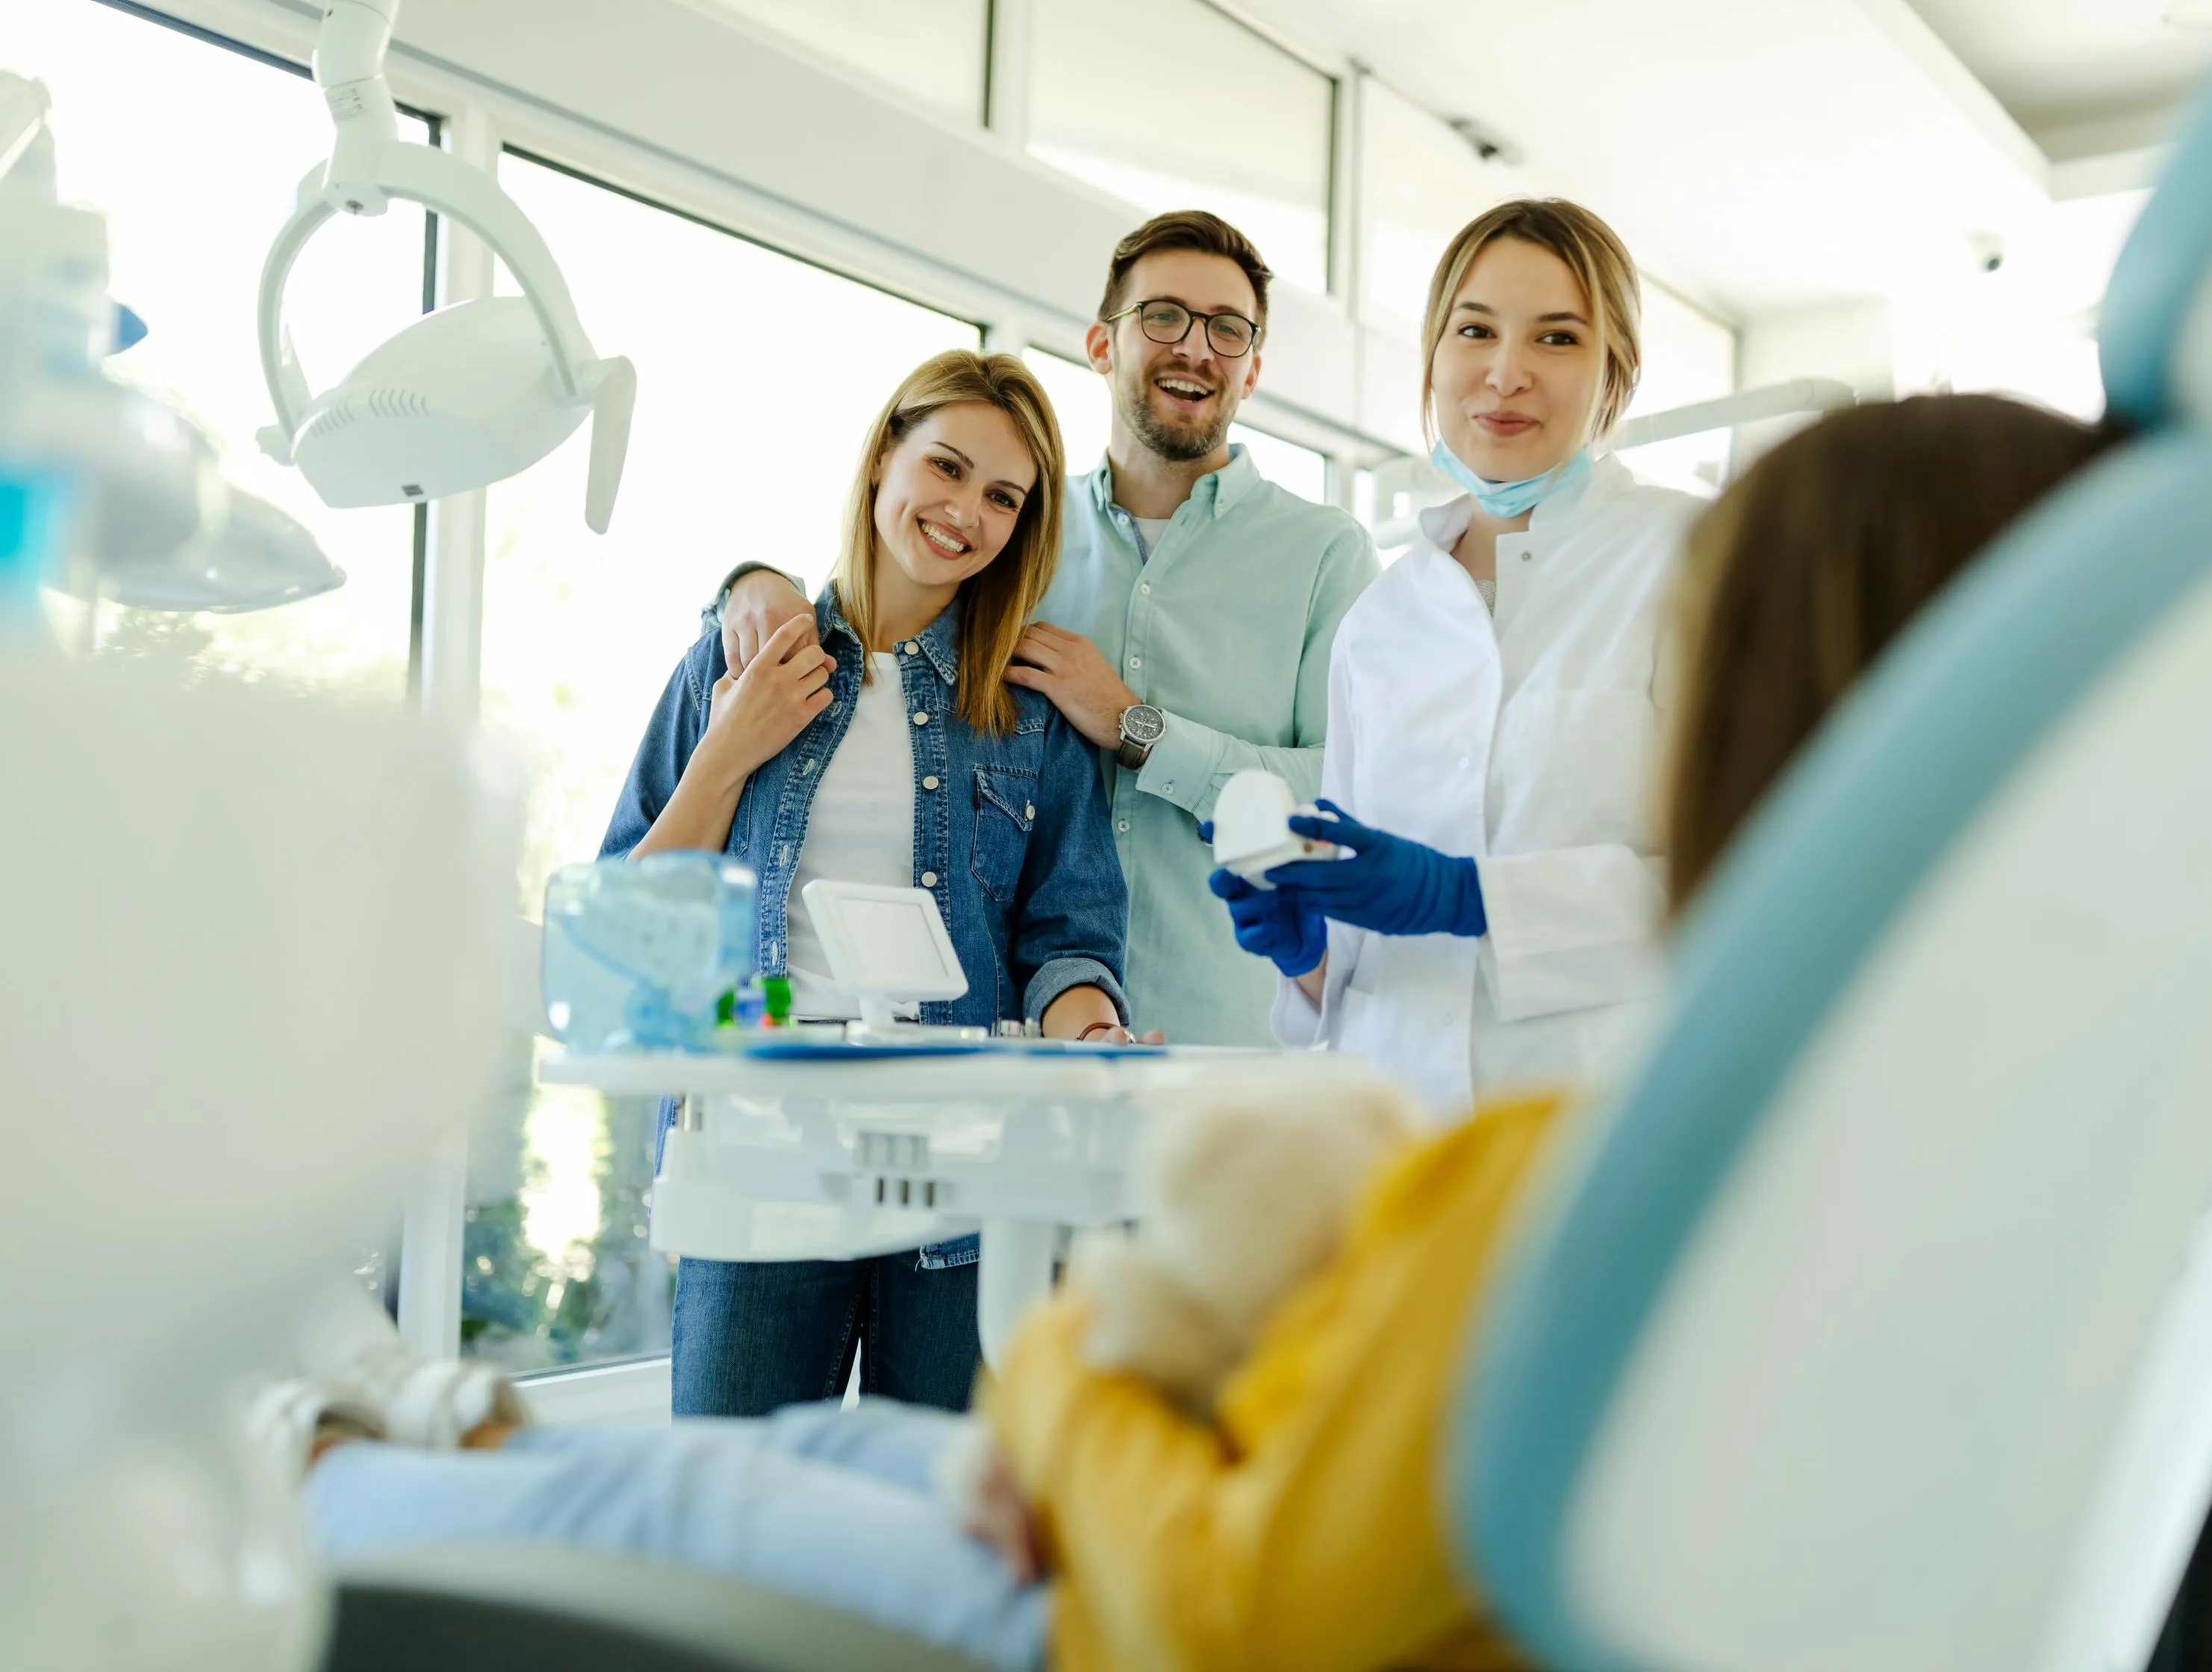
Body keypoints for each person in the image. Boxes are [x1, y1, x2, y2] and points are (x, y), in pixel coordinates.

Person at [281, 393, 2119, 1672]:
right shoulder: (1937, 1123)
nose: (975, 517)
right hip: (1124, 1445)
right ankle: (399, 1426)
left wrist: (1077, 1390)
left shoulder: (1629, 1168)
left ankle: (338, 1465)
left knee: (643, 1496)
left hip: (1109, 1606)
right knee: (786, 1453)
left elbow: (1247, 1605)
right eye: (951, 476)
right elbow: (625, 898)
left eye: (1689, 659)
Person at [604, 348, 1136, 1419]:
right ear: (885, 452)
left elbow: (1068, 938)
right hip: (758, 1160)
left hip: (966, 1177)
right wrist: (727, 750)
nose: (964, 513)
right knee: (733, 1512)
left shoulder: (1025, 708)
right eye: (946, 467)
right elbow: (629, 921)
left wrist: (1092, 1033)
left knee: (940, 1531)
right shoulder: (739, 654)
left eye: (1002, 498)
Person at [714, 212, 1380, 1047]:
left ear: (1252, 371)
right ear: (1102, 345)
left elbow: (1355, 796)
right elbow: (873, 634)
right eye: (1164, 316)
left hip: (1229, 1042)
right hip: (1023, 1054)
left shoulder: (1325, 556)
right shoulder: (1010, 525)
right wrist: (748, 583)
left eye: (1229, 330)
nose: (1197, 348)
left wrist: (1139, 728)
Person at [1212, 199, 1697, 1120]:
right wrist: (1305, 948)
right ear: (1434, 358)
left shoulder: (1690, 560)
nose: (1504, 373)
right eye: (1474, 330)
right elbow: (1359, 970)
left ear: (1615, 376)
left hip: (1595, 1121)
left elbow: (1743, 877)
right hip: (1391, 1129)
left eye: (1557, 338)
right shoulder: (1380, 620)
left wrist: (1469, 897)